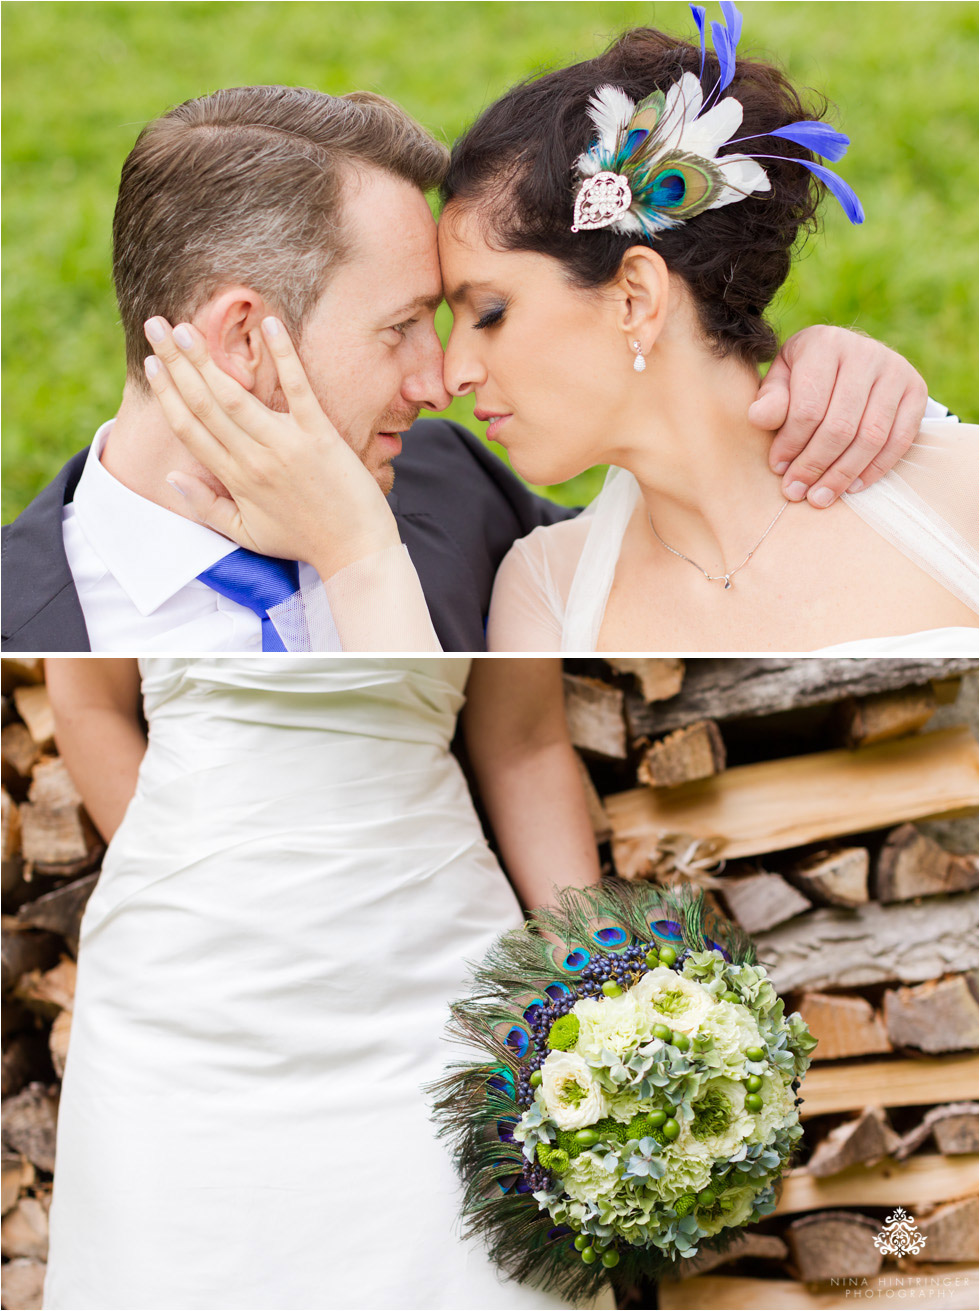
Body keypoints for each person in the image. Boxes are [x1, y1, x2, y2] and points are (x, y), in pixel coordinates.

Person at [1, 85, 934, 654]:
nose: (437, 377)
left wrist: (827, 365)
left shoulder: (457, 493)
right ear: (245, 336)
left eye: (460, 316)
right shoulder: (26, 617)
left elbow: (684, 533)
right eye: (403, 326)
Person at [43, 655, 613, 1311]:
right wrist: (200, 864)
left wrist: (591, 979)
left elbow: (527, 742)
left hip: (438, 976)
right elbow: (88, 707)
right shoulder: (100, 545)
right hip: (181, 982)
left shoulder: (512, 550)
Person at [434, 18, 978, 653]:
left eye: (491, 313)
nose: (453, 374)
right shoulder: (546, 591)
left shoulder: (961, 491)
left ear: (636, 297)